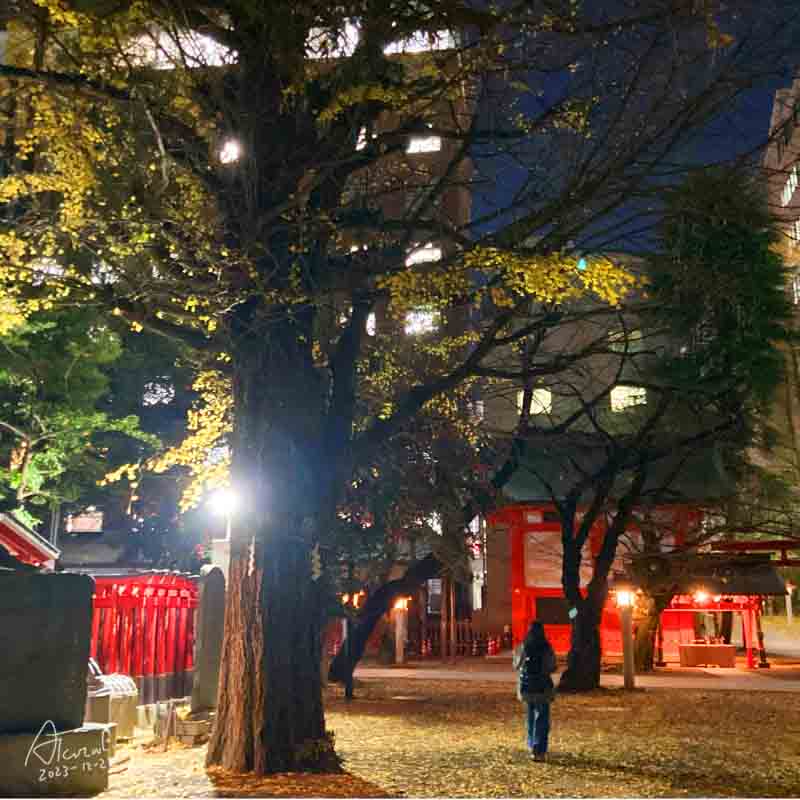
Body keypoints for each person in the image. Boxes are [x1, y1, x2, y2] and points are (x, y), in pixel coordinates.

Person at [513, 620, 557, 761]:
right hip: (542, 687)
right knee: (542, 718)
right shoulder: (546, 647)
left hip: (527, 688)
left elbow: (516, 665)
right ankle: (539, 750)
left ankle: (531, 744)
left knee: (531, 716)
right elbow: (551, 666)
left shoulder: (523, 646)